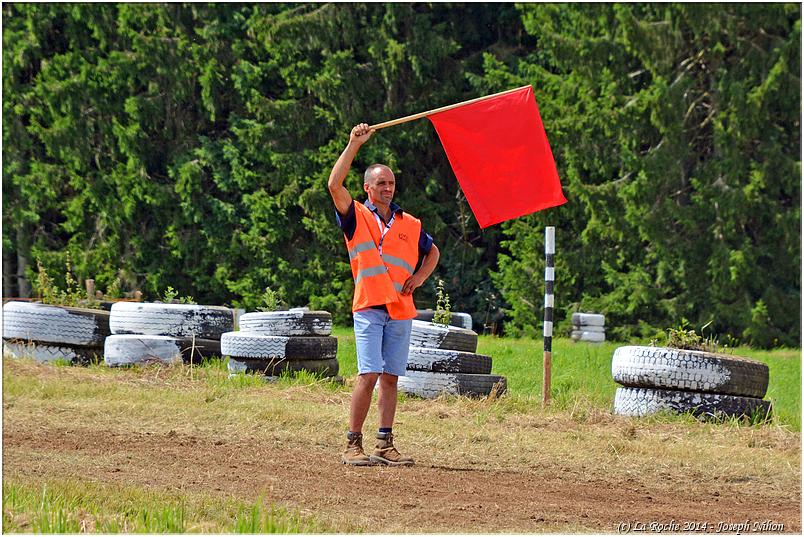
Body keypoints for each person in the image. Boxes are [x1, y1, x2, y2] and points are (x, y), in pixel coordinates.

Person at [328, 123, 440, 466]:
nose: (388, 188)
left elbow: (432, 252)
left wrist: (419, 278)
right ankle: (353, 443)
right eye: (381, 183)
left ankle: (384, 443)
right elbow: (333, 184)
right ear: (367, 187)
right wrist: (353, 144)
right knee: (368, 374)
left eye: (391, 183)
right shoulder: (356, 214)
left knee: (390, 378)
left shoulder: (410, 223)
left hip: (400, 310)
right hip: (369, 307)